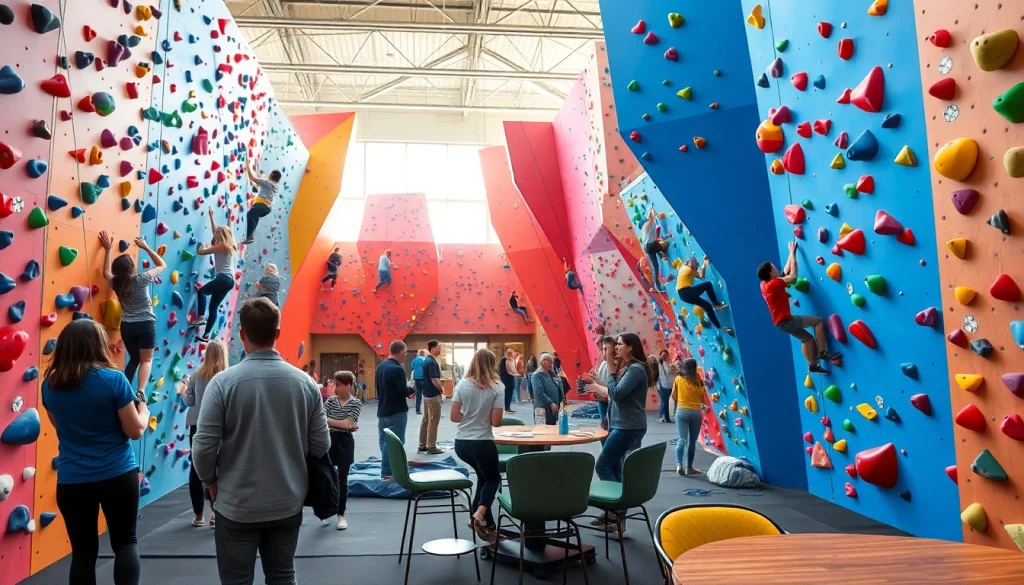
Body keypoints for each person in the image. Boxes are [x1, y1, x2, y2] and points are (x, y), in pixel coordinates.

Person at [192, 298, 329, 585]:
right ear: (278, 334)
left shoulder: (222, 383)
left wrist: (211, 484)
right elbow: (321, 445)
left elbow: (203, 447)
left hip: (235, 504)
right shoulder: (306, 384)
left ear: (242, 334)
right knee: (282, 576)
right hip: (287, 502)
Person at [41, 319, 149, 585]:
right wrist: (143, 410)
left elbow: (61, 428)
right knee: (125, 542)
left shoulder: (49, 385)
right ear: (98, 345)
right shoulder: (113, 380)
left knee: (83, 555)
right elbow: (134, 430)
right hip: (117, 475)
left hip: (73, 480)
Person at [588, 333, 649, 530]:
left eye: (619, 344)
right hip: (620, 424)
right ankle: (617, 518)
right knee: (614, 468)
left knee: (603, 466)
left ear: (630, 347)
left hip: (628, 427)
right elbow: (615, 395)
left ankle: (617, 511)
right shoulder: (629, 368)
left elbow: (616, 393)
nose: (615, 348)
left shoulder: (636, 369)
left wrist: (610, 373)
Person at [758, 241, 842, 374]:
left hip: (780, 324)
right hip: (787, 320)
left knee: (807, 339)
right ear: (770, 273)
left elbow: (783, 273)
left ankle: (813, 365)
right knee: (818, 321)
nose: (776, 268)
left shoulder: (764, 284)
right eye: (773, 267)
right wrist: (792, 253)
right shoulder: (773, 285)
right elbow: (792, 276)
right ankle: (822, 353)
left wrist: (792, 253)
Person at [99, 231, 165, 396]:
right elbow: (162, 265)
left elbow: (105, 273)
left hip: (127, 326)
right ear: (131, 267)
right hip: (145, 324)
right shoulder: (141, 279)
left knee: (135, 359)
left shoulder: (116, 283)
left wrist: (108, 249)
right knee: (146, 360)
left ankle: (123, 391)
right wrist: (146, 247)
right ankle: (140, 391)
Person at [450, 348, 504, 544]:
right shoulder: (497, 387)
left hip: (462, 444)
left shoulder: (462, 384)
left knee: (483, 479)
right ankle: (479, 514)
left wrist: (471, 418)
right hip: (482, 443)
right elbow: (496, 422)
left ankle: (489, 530)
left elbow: (454, 416)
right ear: (492, 365)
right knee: (492, 479)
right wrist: (482, 419)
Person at [181, 340, 228, 528]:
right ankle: (216, 513)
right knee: (221, 467)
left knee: (196, 467)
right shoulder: (226, 376)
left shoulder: (196, 376)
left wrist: (184, 388)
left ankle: (199, 515)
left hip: (197, 426)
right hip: (221, 425)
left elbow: (188, 401)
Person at [193, 208, 237, 343]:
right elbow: (219, 232)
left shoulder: (220, 246)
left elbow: (201, 252)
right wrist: (212, 217)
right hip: (230, 281)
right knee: (213, 307)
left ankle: (201, 318)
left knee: (202, 292)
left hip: (223, 278)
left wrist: (200, 246)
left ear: (220, 236)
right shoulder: (230, 244)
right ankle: (206, 335)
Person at [325, 370, 361, 531]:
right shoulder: (331, 401)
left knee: (342, 480)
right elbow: (321, 418)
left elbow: (348, 423)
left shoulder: (356, 403)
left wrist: (330, 421)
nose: (335, 388)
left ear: (348, 386)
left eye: (338, 385)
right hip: (328, 441)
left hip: (345, 442)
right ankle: (326, 510)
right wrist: (342, 423)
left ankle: (341, 514)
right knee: (326, 476)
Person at [376, 340, 414, 479]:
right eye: (405, 353)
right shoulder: (397, 369)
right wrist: (412, 389)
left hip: (382, 410)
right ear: (401, 352)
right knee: (394, 443)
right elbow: (402, 389)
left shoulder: (380, 367)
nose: (405, 356)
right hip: (396, 410)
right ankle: (387, 472)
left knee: (384, 441)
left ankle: (388, 467)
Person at [673, 358, 707, 476]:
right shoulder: (700, 383)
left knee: (682, 439)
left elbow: (674, 396)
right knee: (692, 442)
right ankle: (689, 468)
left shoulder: (678, 379)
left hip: (682, 411)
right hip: (696, 413)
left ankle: (678, 464)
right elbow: (702, 401)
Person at [677, 256, 728, 328]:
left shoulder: (683, 267)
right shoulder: (688, 270)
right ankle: (716, 303)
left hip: (682, 295)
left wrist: (700, 266)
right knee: (708, 285)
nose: (697, 265)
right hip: (686, 292)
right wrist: (704, 264)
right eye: (696, 263)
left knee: (707, 306)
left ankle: (718, 326)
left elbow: (696, 272)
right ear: (691, 262)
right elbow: (701, 276)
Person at [241, 163, 281, 245]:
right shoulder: (274, 185)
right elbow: (261, 187)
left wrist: (248, 166)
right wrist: (255, 184)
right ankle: (250, 236)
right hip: (266, 208)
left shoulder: (268, 183)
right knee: (255, 218)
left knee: (250, 214)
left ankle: (249, 236)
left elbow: (252, 177)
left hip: (262, 205)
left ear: (272, 174)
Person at [418, 340, 444, 455]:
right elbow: (435, 380)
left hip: (426, 394)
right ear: (432, 348)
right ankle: (431, 446)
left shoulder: (427, 360)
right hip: (433, 395)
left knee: (426, 419)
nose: (440, 350)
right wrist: (442, 390)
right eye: (438, 347)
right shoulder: (432, 362)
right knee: (434, 420)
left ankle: (422, 444)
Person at [585, 336, 616, 433]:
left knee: (609, 428)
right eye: (602, 350)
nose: (603, 353)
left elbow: (612, 389)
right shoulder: (603, 364)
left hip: (610, 402)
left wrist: (597, 384)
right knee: (604, 426)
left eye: (605, 349)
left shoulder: (616, 367)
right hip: (602, 401)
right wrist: (594, 381)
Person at [640, 208, 670, 293]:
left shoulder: (645, 227)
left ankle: (656, 286)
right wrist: (652, 210)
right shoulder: (649, 223)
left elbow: (651, 217)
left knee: (655, 267)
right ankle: (663, 253)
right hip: (652, 246)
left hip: (647, 247)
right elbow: (652, 216)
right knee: (666, 244)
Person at [531, 353, 563, 425]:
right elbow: (539, 392)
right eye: (550, 361)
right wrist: (551, 403)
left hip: (554, 408)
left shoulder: (551, 374)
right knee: (542, 431)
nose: (551, 364)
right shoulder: (537, 375)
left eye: (552, 362)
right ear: (543, 362)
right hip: (542, 408)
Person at [656, 350, 676, 423]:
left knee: (665, 401)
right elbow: (665, 373)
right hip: (663, 385)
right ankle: (662, 416)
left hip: (668, 385)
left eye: (665, 354)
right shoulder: (660, 363)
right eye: (663, 354)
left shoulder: (666, 363)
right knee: (665, 401)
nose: (664, 355)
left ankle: (665, 417)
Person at [498, 348, 516, 413]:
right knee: (508, 393)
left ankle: (507, 407)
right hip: (507, 379)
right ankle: (507, 407)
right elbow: (509, 370)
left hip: (507, 379)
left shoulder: (506, 360)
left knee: (508, 393)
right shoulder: (506, 360)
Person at [411, 349, 427, 414]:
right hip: (424, 378)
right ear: (424, 354)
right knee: (426, 394)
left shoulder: (414, 360)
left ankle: (418, 409)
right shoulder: (426, 360)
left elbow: (412, 368)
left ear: (419, 354)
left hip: (416, 378)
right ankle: (426, 409)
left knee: (418, 393)